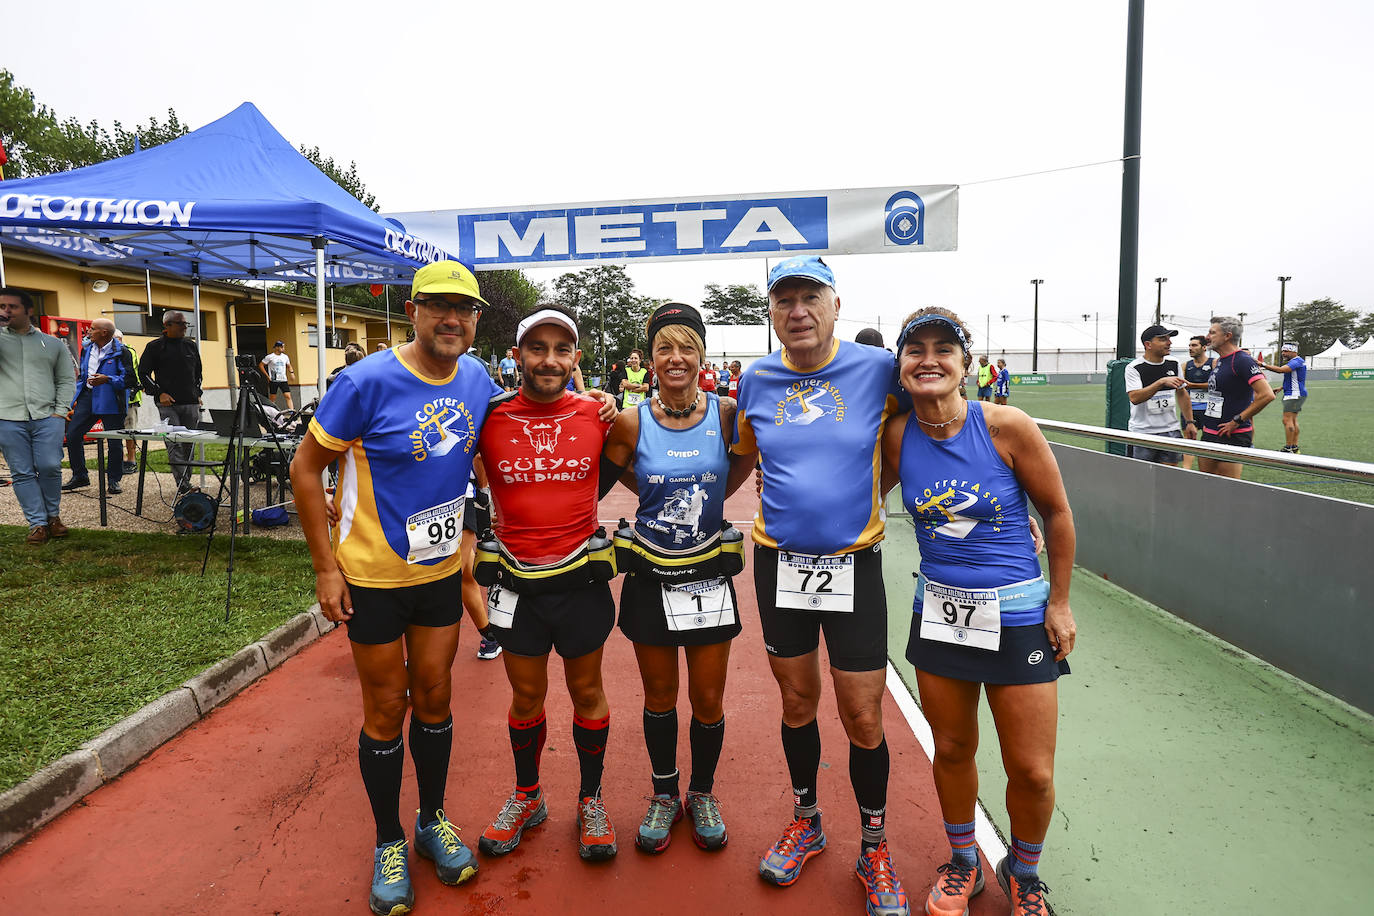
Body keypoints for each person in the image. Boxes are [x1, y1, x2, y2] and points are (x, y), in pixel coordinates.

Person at [290, 261, 501, 916]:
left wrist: (474, 529)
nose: (451, 319)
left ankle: (431, 820)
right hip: (374, 579)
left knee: (435, 695)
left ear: (475, 320)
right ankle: (388, 840)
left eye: (464, 310)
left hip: (438, 576)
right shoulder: (365, 381)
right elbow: (305, 469)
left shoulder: (477, 378)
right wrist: (326, 567)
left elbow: (491, 452)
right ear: (412, 311)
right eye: (438, 306)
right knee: (387, 705)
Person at [728, 256, 911, 916]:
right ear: (771, 313)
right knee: (798, 702)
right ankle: (807, 820)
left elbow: (939, 425)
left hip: (854, 568)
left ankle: (875, 844)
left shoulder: (878, 371)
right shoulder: (755, 380)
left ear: (837, 305)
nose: (797, 310)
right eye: (784, 300)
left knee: (862, 714)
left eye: (810, 297)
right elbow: (741, 459)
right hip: (780, 564)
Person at [881, 308, 1075, 916]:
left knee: (1032, 770)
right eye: (916, 350)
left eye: (945, 349)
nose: (929, 359)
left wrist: (1061, 602)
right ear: (902, 366)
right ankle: (963, 860)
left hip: (1019, 612)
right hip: (940, 610)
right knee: (955, 747)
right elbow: (857, 495)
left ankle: (1025, 869)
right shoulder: (896, 434)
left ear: (967, 364)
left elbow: (1058, 514)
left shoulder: (1006, 427)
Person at [476, 304, 621, 864]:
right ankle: (528, 796)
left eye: (561, 350)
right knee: (526, 694)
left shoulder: (599, 415)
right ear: (517, 356)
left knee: (587, 692)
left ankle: (591, 799)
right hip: (515, 582)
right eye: (537, 348)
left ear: (576, 359)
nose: (549, 360)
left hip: (580, 578)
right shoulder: (486, 418)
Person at [601, 303, 745, 854]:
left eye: (687, 346)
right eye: (665, 347)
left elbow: (739, 469)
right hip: (650, 574)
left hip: (708, 574)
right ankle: (665, 794)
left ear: (702, 353)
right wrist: (666, 506)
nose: (676, 357)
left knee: (708, 698)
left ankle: (701, 793)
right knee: (660, 695)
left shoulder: (728, 413)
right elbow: (609, 476)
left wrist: (703, 507)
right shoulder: (631, 422)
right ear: (650, 359)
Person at [0, 288, 75, 545]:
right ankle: (38, 524)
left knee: (50, 466)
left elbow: (66, 379)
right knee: (21, 472)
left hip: (47, 416)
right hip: (7, 416)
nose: (6, 311)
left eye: (12, 307)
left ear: (29, 310)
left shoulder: (53, 344)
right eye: (2, 306)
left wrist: (60, 412)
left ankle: (53, 517)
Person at [1198, 316, 1274, 478]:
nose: (1207, 337)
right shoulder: (1219, 361)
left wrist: (1237, 421)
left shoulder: (1242, 360)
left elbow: (1266, 395)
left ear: (1228, 336)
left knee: (1226, 490)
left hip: (1232, 434)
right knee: (1205, 484)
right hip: (1211, 431)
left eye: (1212, 333)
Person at [64, 318, 131, 494]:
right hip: (88, 398)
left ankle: (114, 480)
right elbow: (83, 375)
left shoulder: (122, 352)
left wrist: (108, 379)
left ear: (104, 333)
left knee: (114, 442)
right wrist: (74, 400)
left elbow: (130, 380)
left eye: (92, 329)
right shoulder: (86, 349)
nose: (88, 332)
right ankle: (80, 476)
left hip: (112, 401)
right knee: (72, 435)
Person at [139, 310, 203, 494]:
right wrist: (159, 393)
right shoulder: (154, 347)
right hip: (168, 405)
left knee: (188, 444)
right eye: (181, 323)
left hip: (191, 402)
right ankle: (183, 485)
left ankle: (187, 482)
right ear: (167, 326)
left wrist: (197, 392)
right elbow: (143, 373)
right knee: (174, 443)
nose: (185, 327)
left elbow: (198, 373)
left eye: (185, 324)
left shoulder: (190, 346)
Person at [1124, 325, 1196, 465]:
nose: (1169, 343)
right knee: (1141, 478)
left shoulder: (1173, 363)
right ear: (1148, 344)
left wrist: (1190, 422)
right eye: (1163, 339)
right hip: (1142, 433)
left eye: (1169, 339)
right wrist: (1161, 382)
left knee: (1168, 478)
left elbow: (1182, 393)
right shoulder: (1134, 367)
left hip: (1171, 431)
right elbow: (1135, 398)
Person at [1260, 342, 1308, 453]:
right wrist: (1281, 388)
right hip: (1296, 393)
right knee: (1293, 420)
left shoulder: (1296, 361)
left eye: (1286, 351)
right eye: (1282, 351)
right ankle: (1294, 447)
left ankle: (1288, 448)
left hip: (1294, 394)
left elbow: (1280, 370)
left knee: (1287, 420)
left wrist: (1262, 364)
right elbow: (1295, 379)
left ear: (1294, 351)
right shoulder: (1297, 361)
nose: (1283, 353)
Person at [1181, 336, 1214, 471]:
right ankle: (1186, 469)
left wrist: (1193, 385)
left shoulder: (1214, 363)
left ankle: (1207, 470)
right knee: (1188, 440)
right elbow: (1182, 386)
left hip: (1209, 409)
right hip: (1190, 409)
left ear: (1204, 347)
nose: (1190, 348)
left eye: (1194, 345)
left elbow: (1216, 384)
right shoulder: (1185, 366)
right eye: (1190, 345)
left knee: (1209, 441)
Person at [260, 340, 296, 409]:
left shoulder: (285, 357)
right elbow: (261, 365)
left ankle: (292, 412)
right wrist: (267, 376)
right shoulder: (270, 357)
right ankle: (271, 412)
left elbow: (289, 365)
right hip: (273, 380)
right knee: (273, 398)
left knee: (288, 396)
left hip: (283, 379)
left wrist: (292, 373)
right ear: (277, 347)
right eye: (282, 347)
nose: (283, 348)